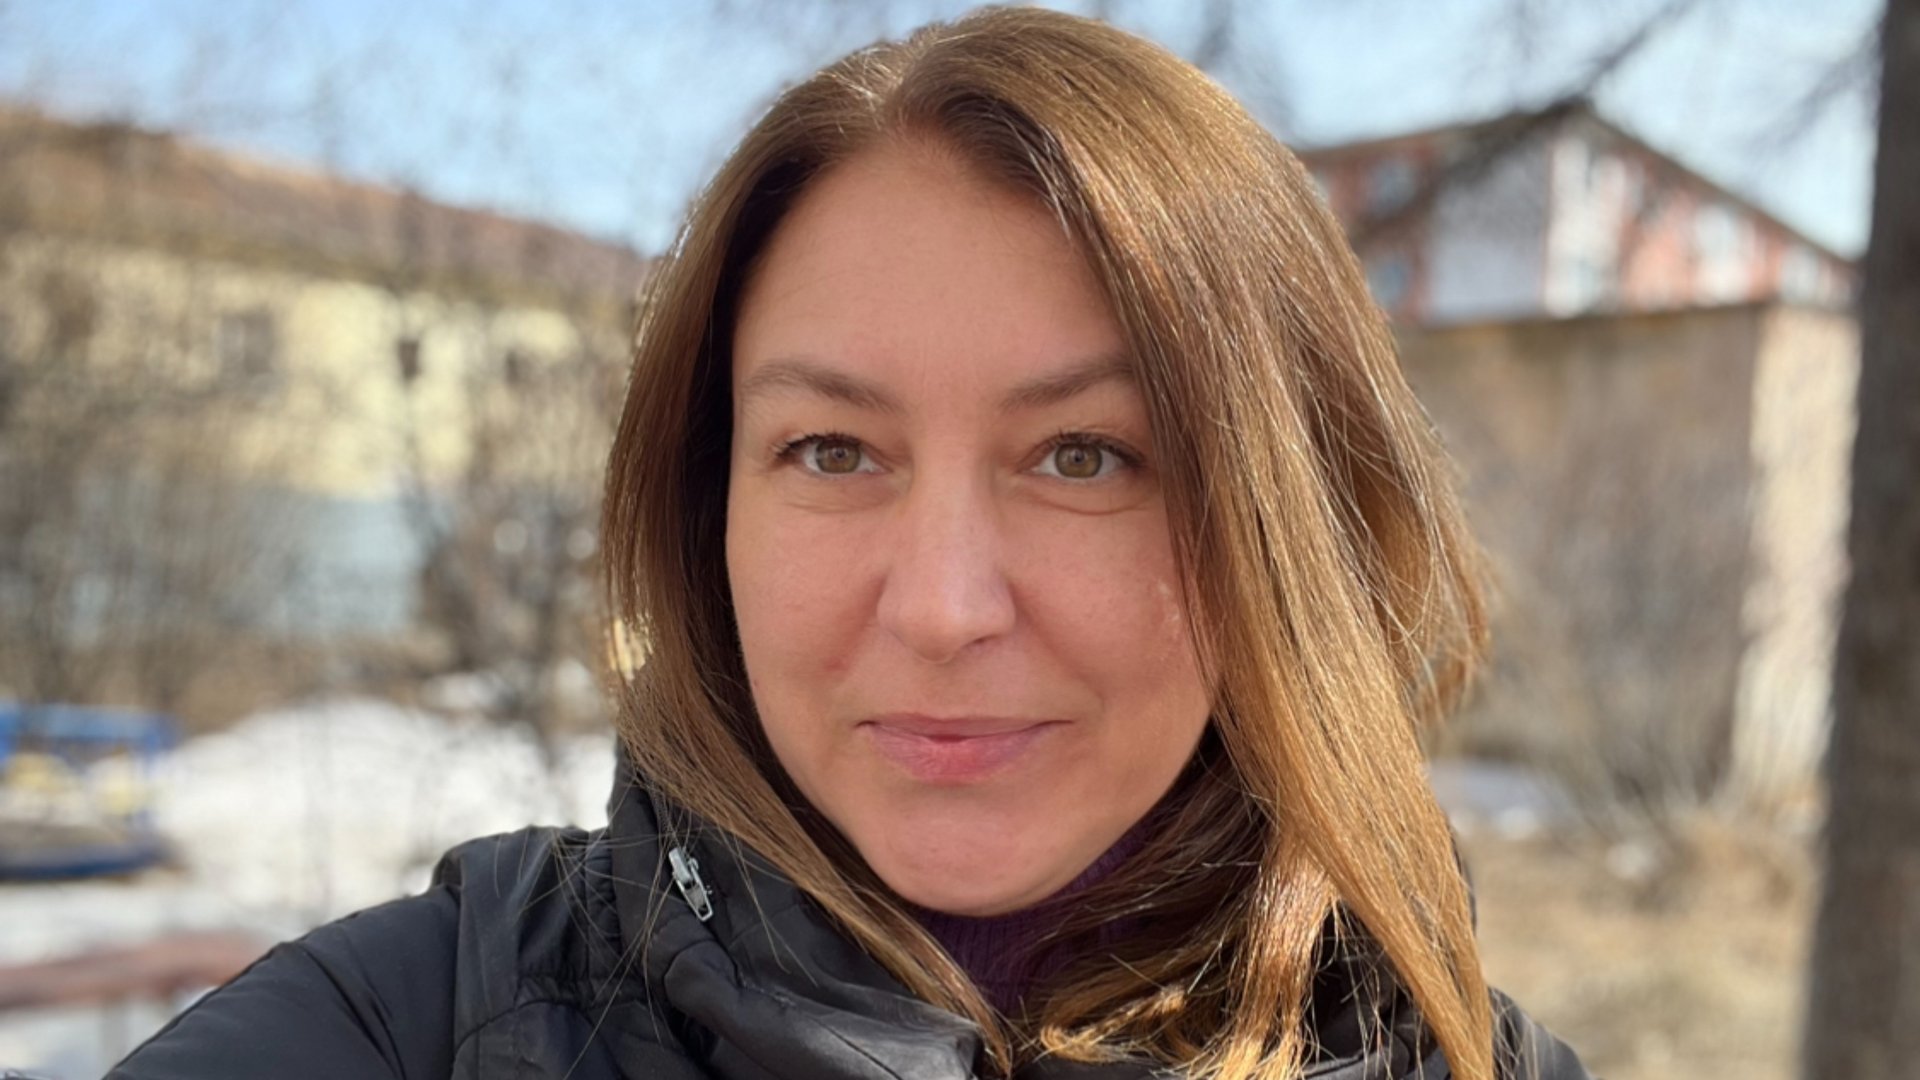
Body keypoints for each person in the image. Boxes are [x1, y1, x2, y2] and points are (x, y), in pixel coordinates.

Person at [110, 8, 1590, 1079]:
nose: (943, 608)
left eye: (1084, 456)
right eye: (832, 450)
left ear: (1289, 526)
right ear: (711, 511)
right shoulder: (416, 1022)